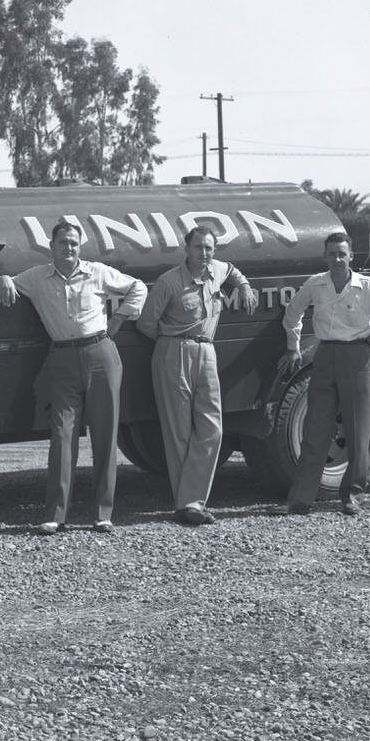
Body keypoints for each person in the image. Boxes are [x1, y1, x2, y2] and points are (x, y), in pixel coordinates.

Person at [0, 221, 147, 535]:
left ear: (81, 246)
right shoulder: (36, 277)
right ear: (52, 246)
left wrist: (118, 319)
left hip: (101, 354)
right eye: (63, 242)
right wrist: (5, 279)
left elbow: (138, 287)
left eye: (74, 243)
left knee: (105, 434)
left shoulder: (98, 272)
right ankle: (56, 515)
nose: (69, 248)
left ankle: (103, 513)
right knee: (62, 436)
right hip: (62, 358)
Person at [279, 232, 370, 516]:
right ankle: (301, 498)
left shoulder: (368, 286)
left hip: (360, 356)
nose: (337, 259)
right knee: (316, 429)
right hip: (325, 355)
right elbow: (293, 312)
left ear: (351, 256)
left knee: (359, 430)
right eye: (331, 254)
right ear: (325, 256)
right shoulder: (315, 284)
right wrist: (293, 348)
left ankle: (352, 495)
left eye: (342, 254)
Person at [136, 225, 258, 526]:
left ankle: (190, 499)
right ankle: (189, 505)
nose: (204, 253)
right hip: (173, 352)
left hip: (207, 351)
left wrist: (243, 284)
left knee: (212, 428)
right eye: (199, 247)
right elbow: (146, 324)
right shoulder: (169, 282)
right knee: (179, 432)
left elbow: (231, 270)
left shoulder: (216, 269)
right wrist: (172, 340)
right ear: (186, 249)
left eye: (209, 248)